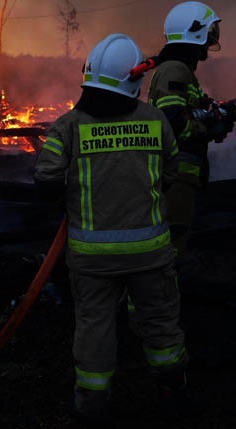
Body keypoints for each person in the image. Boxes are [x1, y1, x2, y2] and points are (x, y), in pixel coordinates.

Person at [34, 34, 189, 424]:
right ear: (132, 79)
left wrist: (67, 202)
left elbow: (47, 178)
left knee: (94, 326)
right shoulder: (155, 120)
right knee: (159, 319)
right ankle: (173, 387)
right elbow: (172, 172)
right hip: (151, 252)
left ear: (89, 77)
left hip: (91, 258)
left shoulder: (69, 125)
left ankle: (92, 405)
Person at [147, 1, 236, 261]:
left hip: (181, 176)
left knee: (173, 245)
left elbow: (192, 109)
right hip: (174, 177)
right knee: (169, 252)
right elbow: (172, 122)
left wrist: (216, 113)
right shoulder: (174, 70)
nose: (209, 45)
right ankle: (158, 301)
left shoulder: (183, 71)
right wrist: (208, 127)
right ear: (195, 33)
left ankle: (159, 297)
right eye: (208, 35)